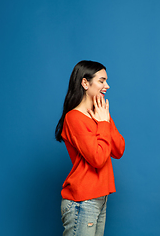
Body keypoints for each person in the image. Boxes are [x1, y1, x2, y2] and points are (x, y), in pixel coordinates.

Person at [55, 60, 125, 236]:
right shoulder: (74, 118)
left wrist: (105, 120)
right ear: (85, 83)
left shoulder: (100, 114)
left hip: (99, 198)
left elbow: (118, 150)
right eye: (102, 80)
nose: (107, 86)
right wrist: (103, 123)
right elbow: (98, 158)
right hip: (82, 200)